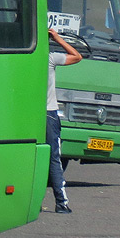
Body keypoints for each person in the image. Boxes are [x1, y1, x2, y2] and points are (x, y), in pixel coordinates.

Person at [47, 27, 82, 213]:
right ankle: (61, 202)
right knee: (53, 159)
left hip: (28, 114)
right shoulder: (51, 58)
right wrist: (58, 38)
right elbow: (77, 56)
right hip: (49, 114)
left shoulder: (24, 58)